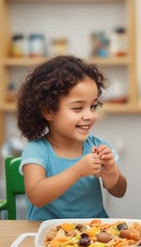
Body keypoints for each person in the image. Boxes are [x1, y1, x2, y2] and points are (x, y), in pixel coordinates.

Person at [16, 55, 127, 220]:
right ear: (48, 111)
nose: (89, 115)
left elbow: (120, 191)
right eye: (77, 108)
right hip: (48, 235)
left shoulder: (98, 146)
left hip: (93, 234)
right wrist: (77, 171)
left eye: (93, 106)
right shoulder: (37, 150)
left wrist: (111, 174)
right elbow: (36, 196)